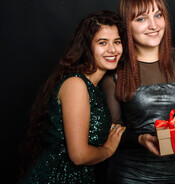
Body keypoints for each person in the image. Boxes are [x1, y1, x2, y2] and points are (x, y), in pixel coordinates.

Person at [101, 0, 175, 184]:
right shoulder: (115, 71)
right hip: (131, 175)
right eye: (141, 19)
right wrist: (139, 139)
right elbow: (112, 129)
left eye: (158, 15)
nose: (153, 25)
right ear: (126, 25)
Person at [18, 10, 127, 183]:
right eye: (102, 42)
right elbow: (79, 156)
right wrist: (108, 149)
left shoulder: (95, 87)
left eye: (117, 42)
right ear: (87, 47)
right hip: (56, 177)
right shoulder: (76, 84)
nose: (112, 49)